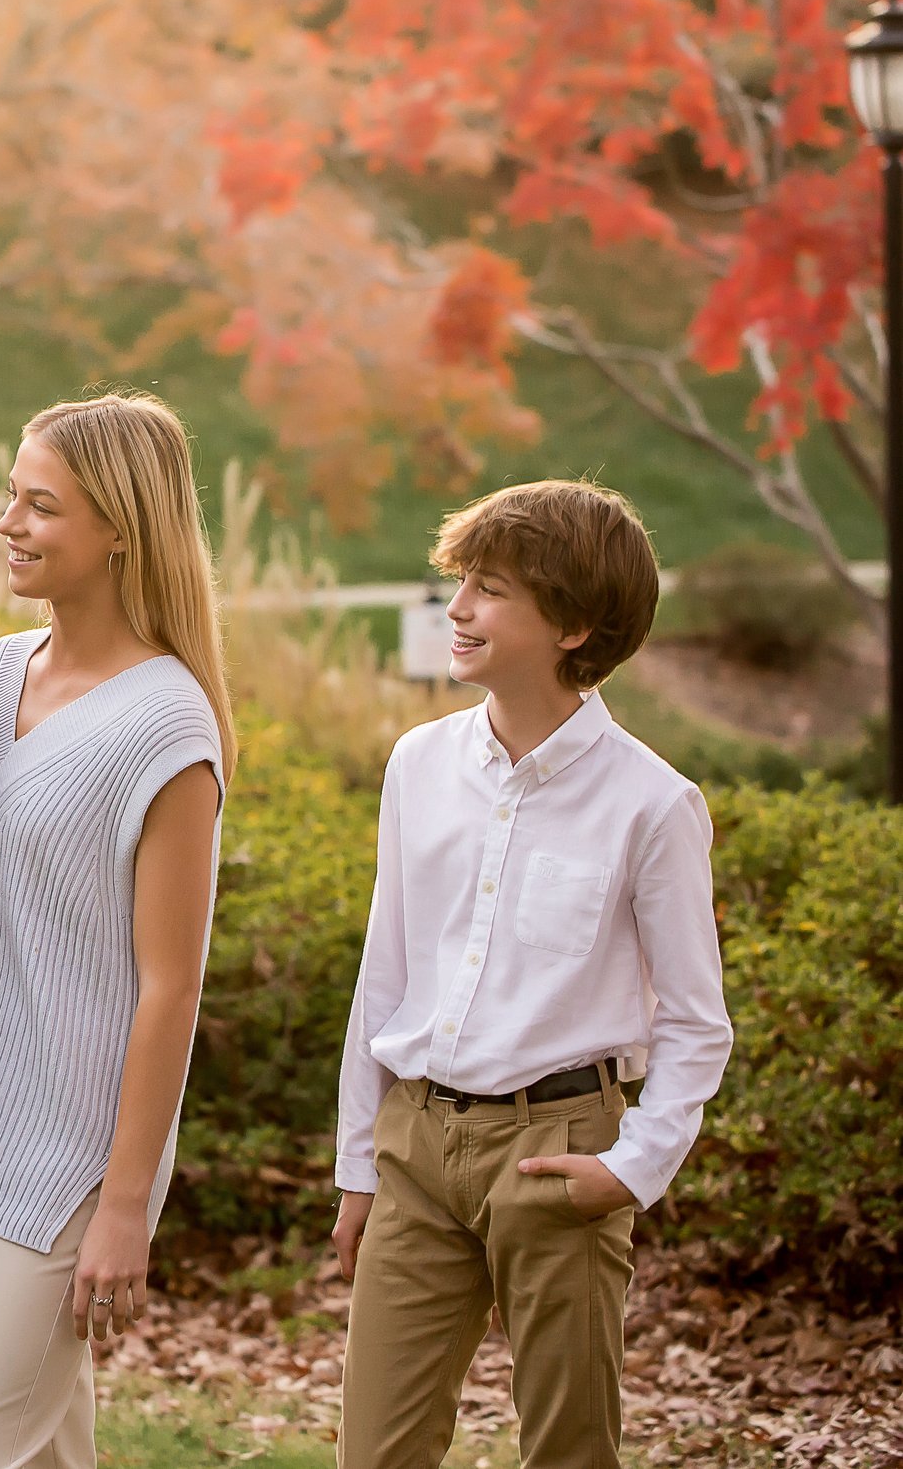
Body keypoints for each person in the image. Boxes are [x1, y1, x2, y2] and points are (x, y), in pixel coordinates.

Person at [331, 480, 734, 1469]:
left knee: (568, 1449)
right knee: (372, 1451)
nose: (457, 608)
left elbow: (694, 1022)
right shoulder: (417, 763)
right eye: (460, 581)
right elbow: (385, 972)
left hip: (560, 1155)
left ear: (574, 625)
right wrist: (356, 1163)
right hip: (417, 1145)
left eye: (492, 589)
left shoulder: (652, 803)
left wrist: (630, 1166)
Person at [0, 394, 233, 1469]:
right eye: (10, 494)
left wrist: (125, 1204)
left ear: (121, 529)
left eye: (40, 504)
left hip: (71, 1161)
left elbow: (168, 986)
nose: (7, 521)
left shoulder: (169, 725)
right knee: (42, 1453)